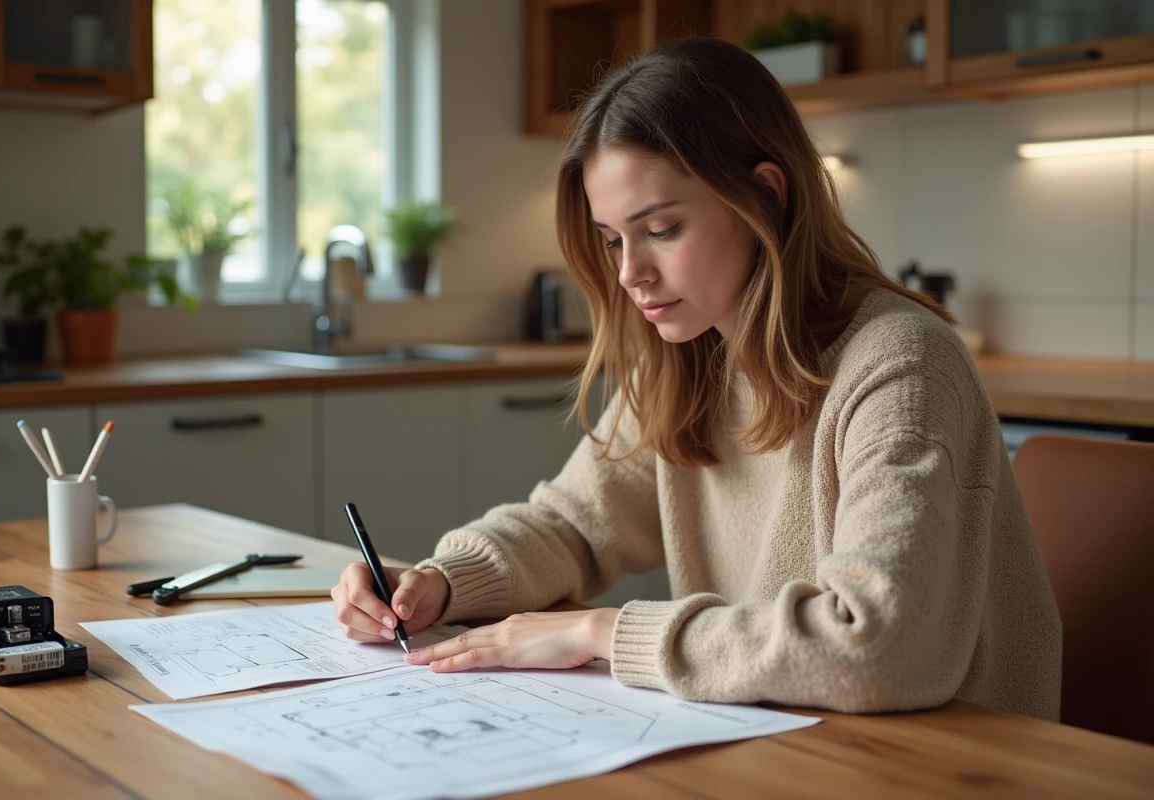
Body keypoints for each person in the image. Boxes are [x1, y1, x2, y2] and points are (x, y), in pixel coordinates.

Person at [332, 36, 1061, 720]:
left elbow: (873, 642)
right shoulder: (687, 359)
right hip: (785, 736)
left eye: (662, 229)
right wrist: (441, 581)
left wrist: (600, 633)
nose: (629, 273)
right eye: (614, 238)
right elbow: (571, 524)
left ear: (766, 197)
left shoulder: (902, 363)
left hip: (950, 760)